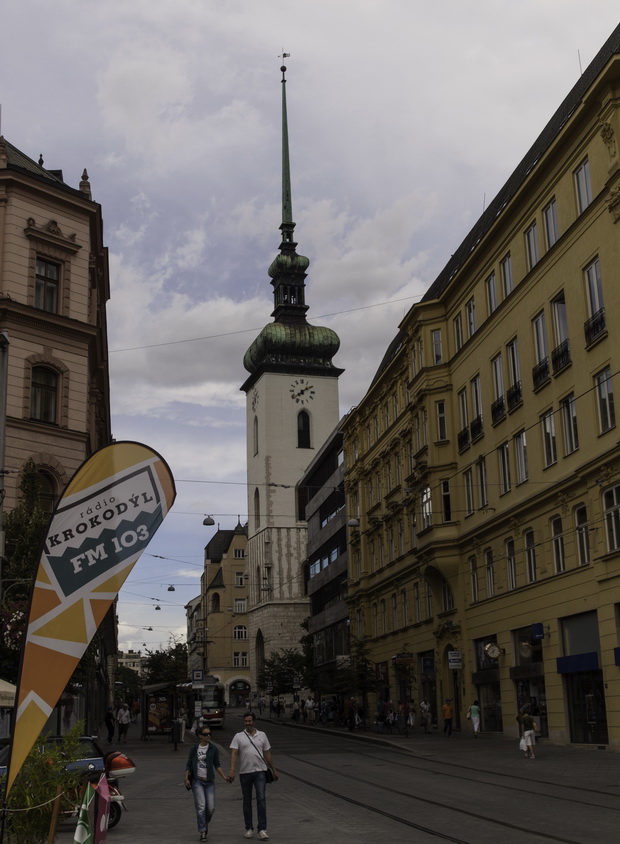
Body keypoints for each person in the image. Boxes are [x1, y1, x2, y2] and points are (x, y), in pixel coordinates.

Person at [229, 711, 278, 840]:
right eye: (246, 721)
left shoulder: (262, 735)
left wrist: (273, 769)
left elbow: (267, 753)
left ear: (254, 722)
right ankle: (249, 828)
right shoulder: (238, 736)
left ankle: (262, 829)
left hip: (260, 772)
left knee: (261, 799)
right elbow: (234, 753)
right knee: (247, 800)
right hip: (245, 772)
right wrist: (232, 769)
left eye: (250, 721)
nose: (248, 723)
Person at [185, 725, 228, 841]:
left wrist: (224, 776)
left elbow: (217, 764)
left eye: (209, 734)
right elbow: (189, 764)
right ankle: (202, 831)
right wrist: (186, 778)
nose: (208, 736)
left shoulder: (213, 748)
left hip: (209, 782)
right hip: (197, 781)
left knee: (211, 808)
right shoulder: (194, 748)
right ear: (200, 736)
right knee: (201, 807)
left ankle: (204, 822)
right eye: (205, 734)